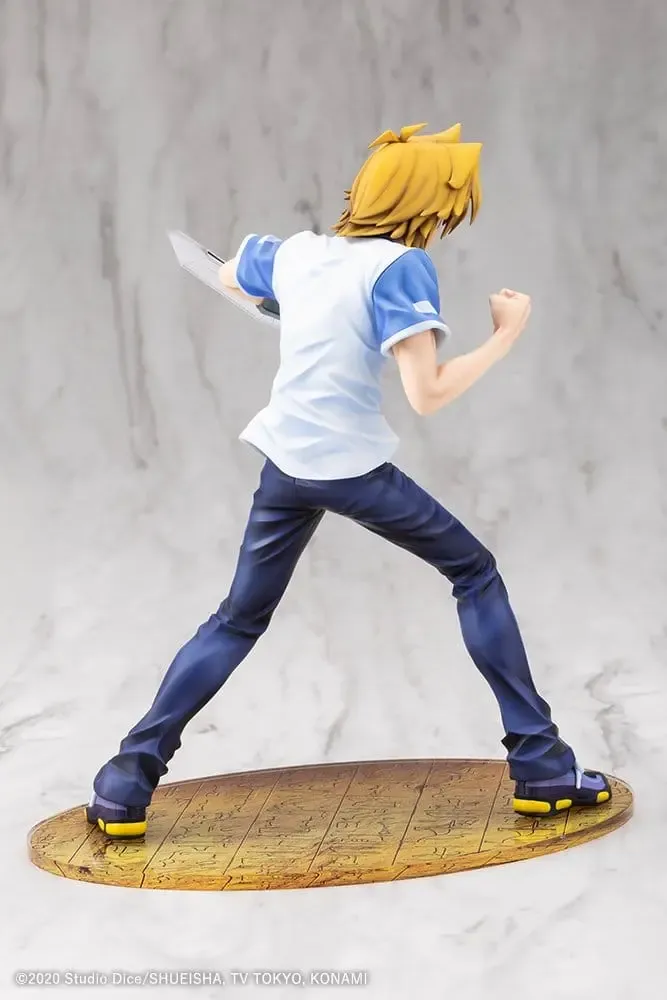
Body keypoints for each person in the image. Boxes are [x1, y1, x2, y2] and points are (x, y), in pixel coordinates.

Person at [86, 122, 610, 839]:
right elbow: (427, 393)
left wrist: (297, 306)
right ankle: (542, 767)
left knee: (236, 619)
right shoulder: (399, 269)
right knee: (475, 573)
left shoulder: (297, 252)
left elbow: (229, 275)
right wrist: (505, 334)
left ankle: (124, 782)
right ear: (429, 203)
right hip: (350, 469)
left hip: (284, 465)